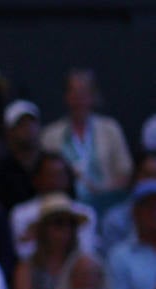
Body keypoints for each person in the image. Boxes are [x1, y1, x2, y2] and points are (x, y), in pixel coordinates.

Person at [39, 68, 133, 211]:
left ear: (93, 96)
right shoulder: (50, 135)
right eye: (74, 92)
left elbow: (125, 173)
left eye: (83, 92)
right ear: (66, 96)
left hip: (109, 206)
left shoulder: (110, 129)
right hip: (64, 206)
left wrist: (102, 191)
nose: (78, 97)